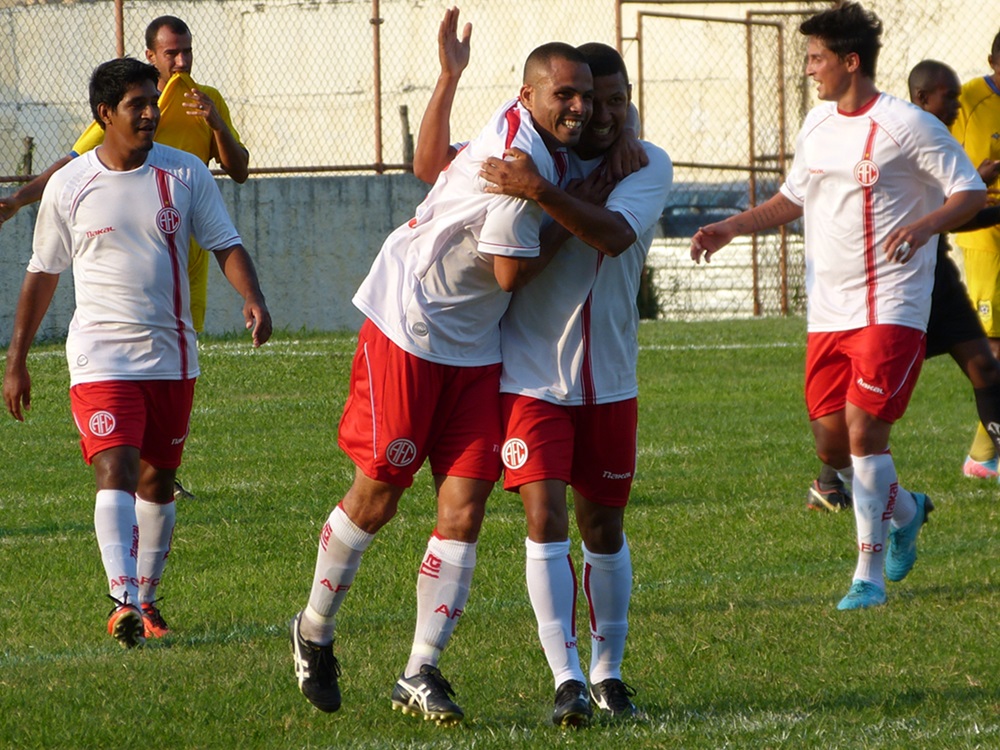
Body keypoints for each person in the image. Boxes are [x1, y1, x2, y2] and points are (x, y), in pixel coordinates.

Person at [288, 41, 593, 725]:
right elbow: (512, 272)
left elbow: (429, 165)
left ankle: (419, 669)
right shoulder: (525, 165)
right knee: (379, 496)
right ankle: (312, 629)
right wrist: (573, 220)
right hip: (410, 327)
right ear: (528, 95)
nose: (576, 108)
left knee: (465, 509)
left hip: (477, 344)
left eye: (585, 97)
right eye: (563, 95)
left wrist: (450, 76)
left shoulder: (532, 144)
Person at [415, 10, 671, 725]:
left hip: (612, 376)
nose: (603, 114)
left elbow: (613, 235)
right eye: (594, 99)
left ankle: (608, 672)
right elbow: (436, 166)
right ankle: (566, 679)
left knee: (604, 527)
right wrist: (449, 77)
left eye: (618, 102)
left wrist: (541, 193)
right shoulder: (539, 153)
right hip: (529, 374)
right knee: (543, 516)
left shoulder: (645, 164)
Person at [690, 2, 985, 610]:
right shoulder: (817, 126)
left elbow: (971, 191)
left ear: (850, 62)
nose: (809, 70)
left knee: (863, 431)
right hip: (829, 311)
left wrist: (925, 225)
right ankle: (907, 510)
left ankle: (867, 578)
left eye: (816, 58)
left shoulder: (908, 125)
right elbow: (790, 199)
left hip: (893, 305)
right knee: (830, 445)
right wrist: (730, 227)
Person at [1, 58, 271, 648]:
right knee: (114, 468)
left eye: (152, 101)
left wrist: (251, 297)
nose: (151, 112)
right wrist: (16, 359)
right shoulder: (70, 187)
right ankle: (121, 598)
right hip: (100, 356)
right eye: (137, 104)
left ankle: (146, 601)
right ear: (105, 114)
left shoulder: (185, 173)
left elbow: (225, 242)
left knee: (158, 481)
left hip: (172, 356)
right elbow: (42, 274)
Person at [0, 16, 249, 502]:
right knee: (119, 456)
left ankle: (158, 471)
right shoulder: (121, 110)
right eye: (171, 53)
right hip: (115, 287)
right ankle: (130, 467)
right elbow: (70, 167)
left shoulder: (206, 100)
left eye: (187, 51)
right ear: (151, 56)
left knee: (170, 370)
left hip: (182, 261)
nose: (181, 61)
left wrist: (216, 123)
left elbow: (237, 170)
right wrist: (19, 200)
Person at [807, 59, 1000, 511]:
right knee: (856, 403)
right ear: (922, 98)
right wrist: (977, 196)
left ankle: (988, 461)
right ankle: (831, 478)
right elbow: (945, 220)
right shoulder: (904, 139)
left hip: (936, 279)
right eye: (947, 96)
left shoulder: (937, 140)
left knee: (986, 367)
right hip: (895, 286)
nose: (955, 104)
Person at [950, 29, 1000, 480]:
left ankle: (984, 454)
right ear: (992, 62)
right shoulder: (966, 100)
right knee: (994, 344)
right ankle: (984, 456)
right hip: (986, 237)